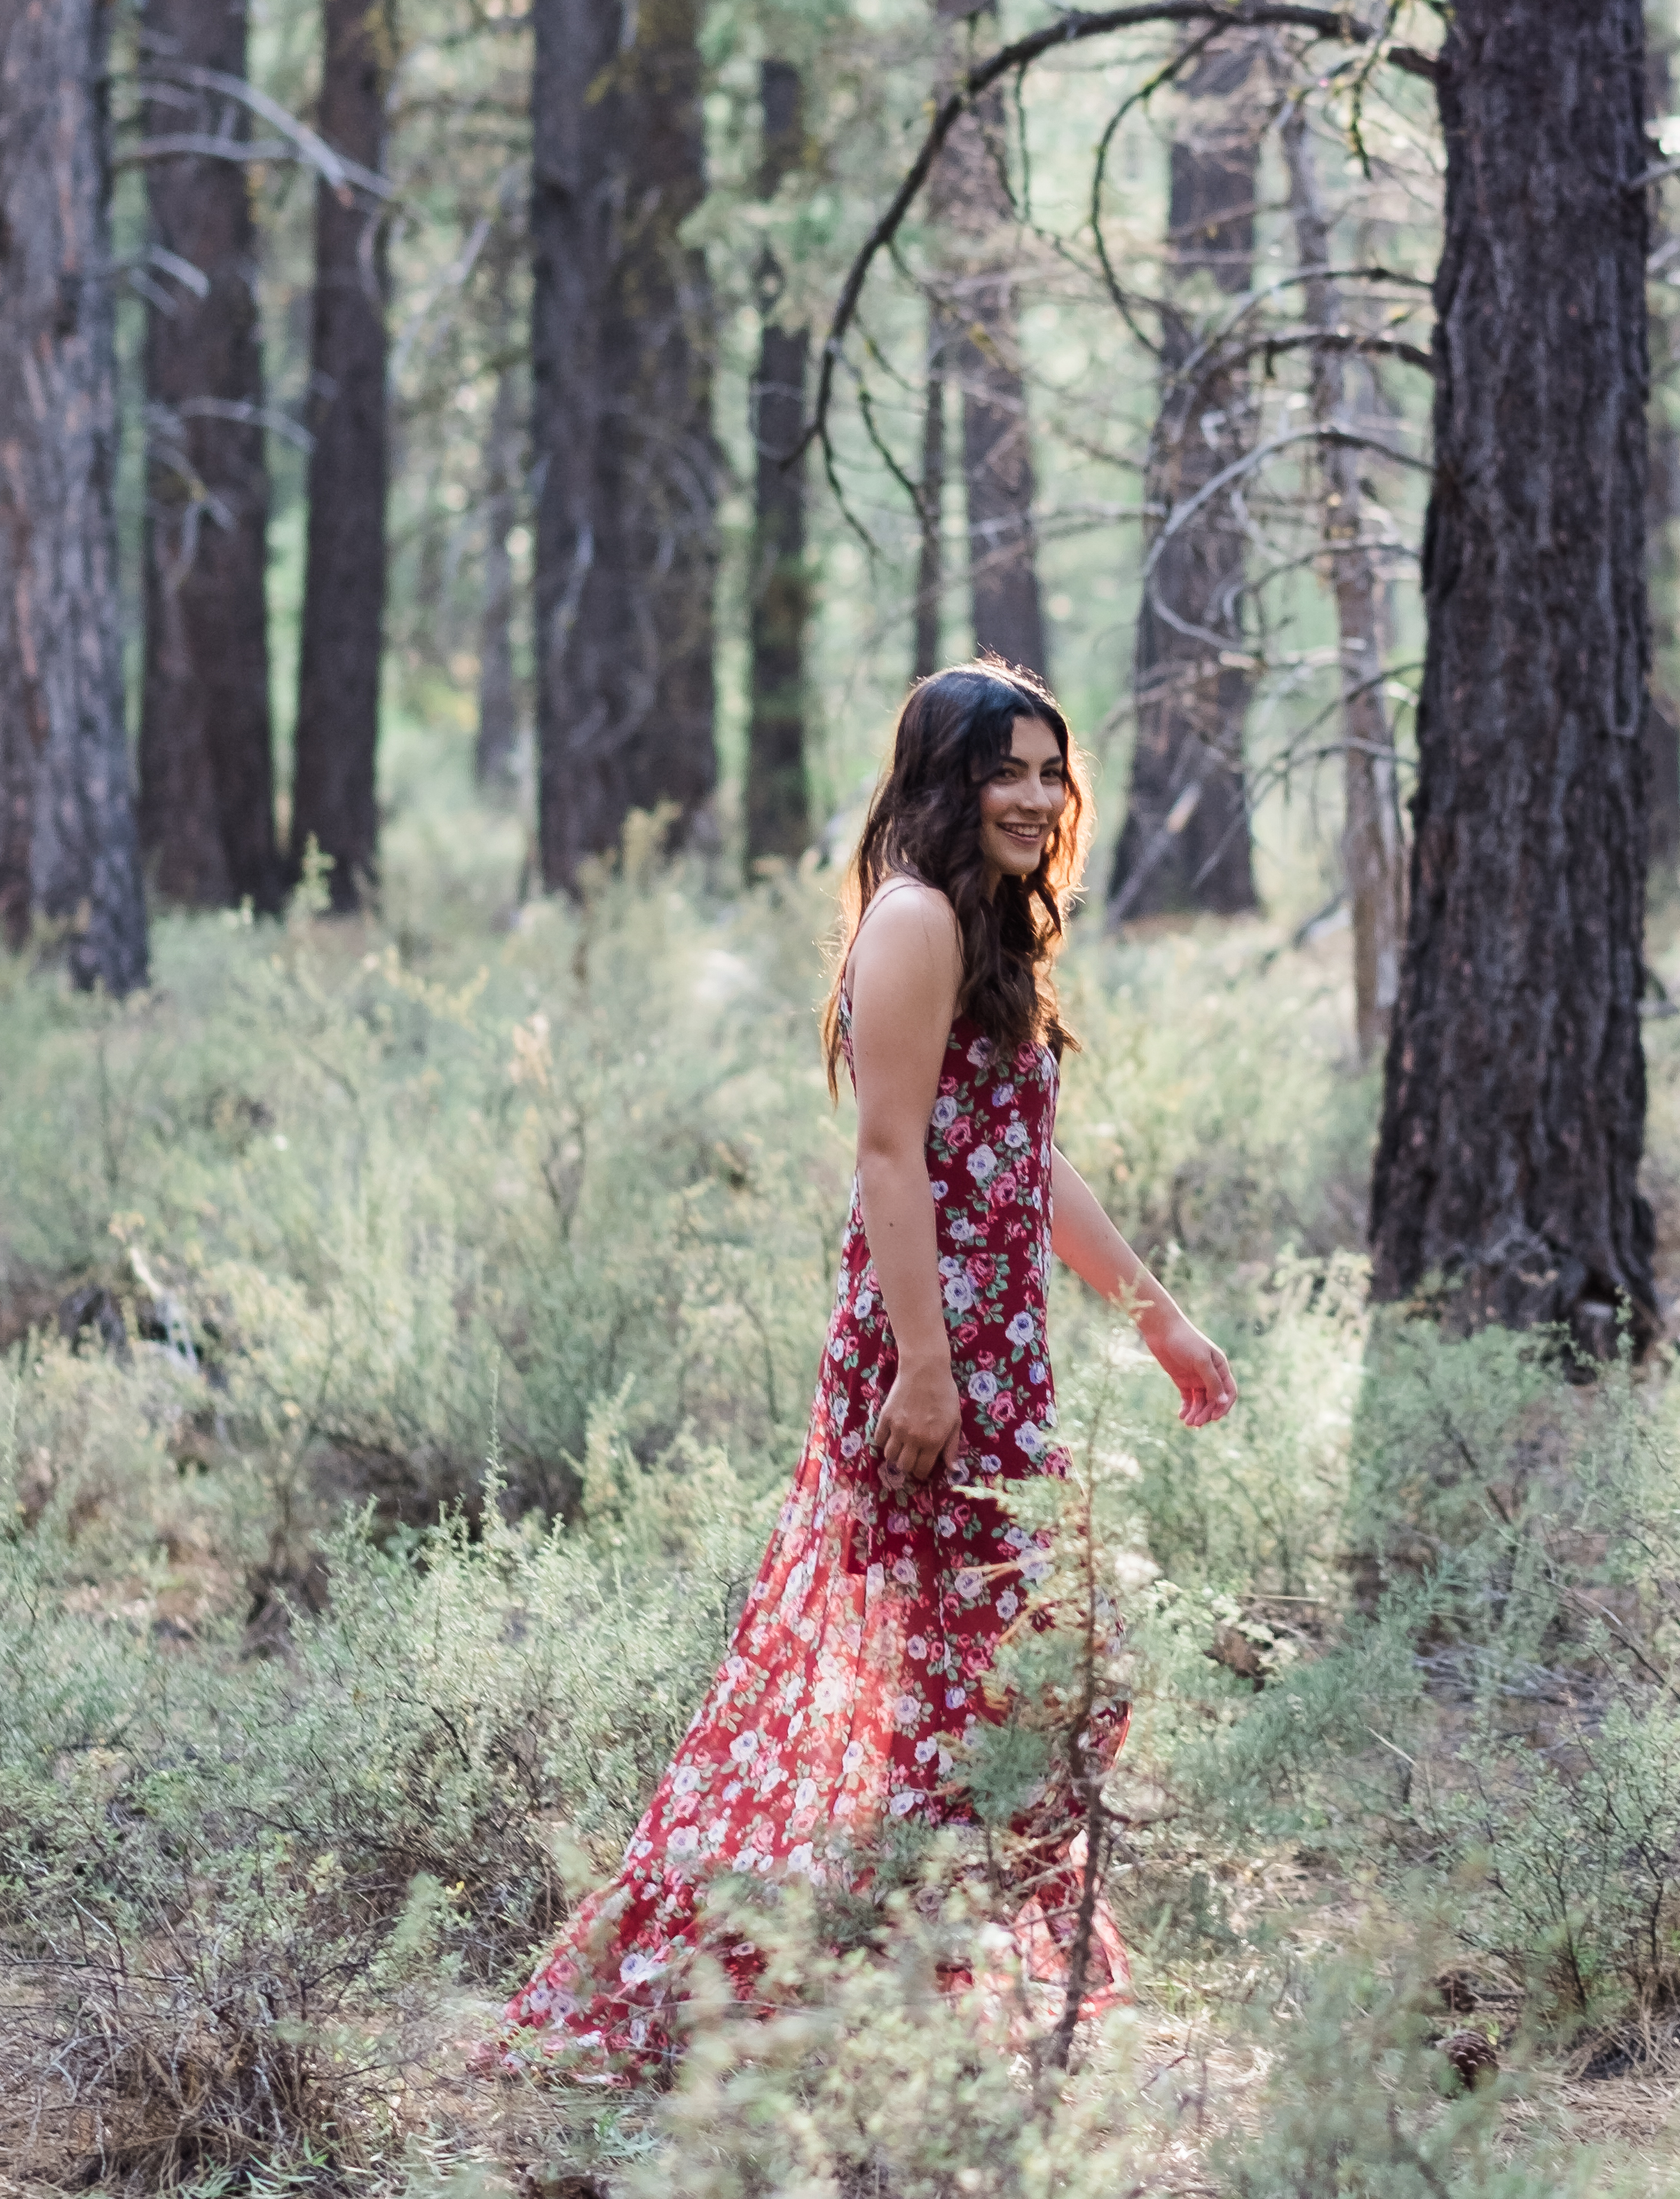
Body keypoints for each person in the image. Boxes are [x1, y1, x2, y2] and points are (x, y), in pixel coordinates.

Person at [504, 661, 1236, 2071]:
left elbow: (1018, 1158)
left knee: (1012, 1676)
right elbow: (889, 1156)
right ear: (942, 783)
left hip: (991, 1359)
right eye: (1003, 770)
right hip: (929, 1362)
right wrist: (924, 1369)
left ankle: (907, 1989)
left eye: (1048, 771)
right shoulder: (912, 923)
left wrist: (1151, 1309)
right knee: (1009, 1675)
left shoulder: (988, 928)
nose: (1032, 797)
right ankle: (829, 1987)